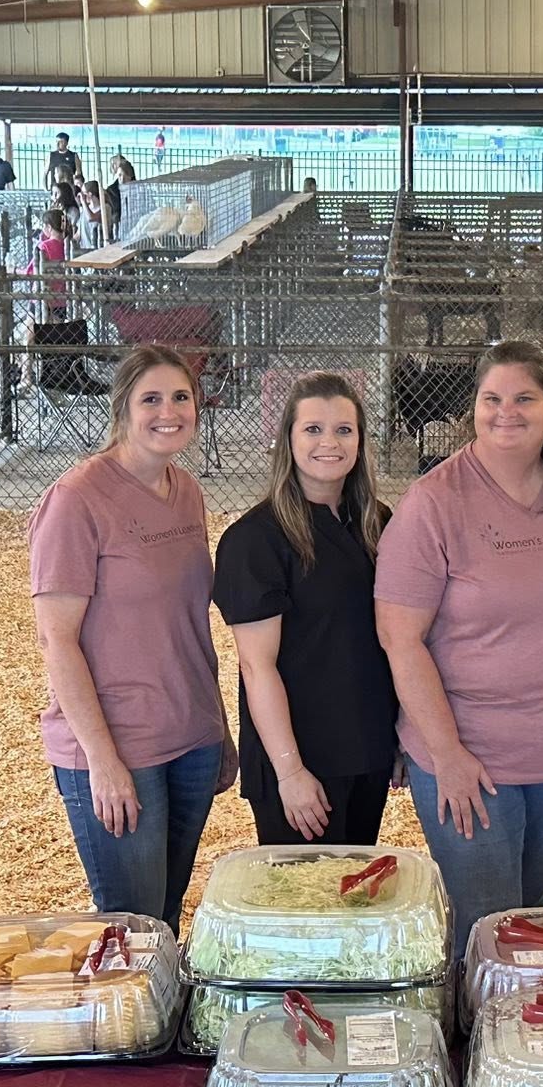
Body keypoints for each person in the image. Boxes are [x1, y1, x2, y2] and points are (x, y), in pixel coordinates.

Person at [374, 340, 543, 957]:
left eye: (524, 398)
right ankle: (471, 1020)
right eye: (491, 398)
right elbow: (400, 638)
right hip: (469, 753)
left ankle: (516, 1019)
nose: (507, 412)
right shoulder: (434, 502)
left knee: (527, 916)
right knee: (485, 928)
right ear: (472, 406)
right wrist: (445, 753)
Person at [28, 344, 237, 923]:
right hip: (121, 745)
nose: (169, 412)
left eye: (181, 397)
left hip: (191, 735)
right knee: (132, 926)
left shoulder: (186, 490)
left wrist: (218, 727)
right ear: (122, 408)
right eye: (151, 399)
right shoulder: (76, 500)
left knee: (166, 915)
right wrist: (102, 759)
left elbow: (186, 622)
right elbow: (57, 641)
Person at [214, 373, 398, 847]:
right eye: (313, 429)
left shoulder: (378, 523)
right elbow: (257, 667)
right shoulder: (256, 539)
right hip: (301, 760)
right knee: (304, 891)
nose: (329, 442)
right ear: (288, 439)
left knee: (356, 886)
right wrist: (290, 771)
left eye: (344, 430)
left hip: (367, 748)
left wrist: (399, 734)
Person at [46, 134, 81, 211]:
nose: (58, 144)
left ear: (66, 143)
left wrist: (76, 184)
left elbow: (78, 173)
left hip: (68, 187)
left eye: (61, 141)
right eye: (57, 141)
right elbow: (46, 172)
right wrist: (46, 188)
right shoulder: (52, 155)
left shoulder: (73, 155)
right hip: (55, 187)